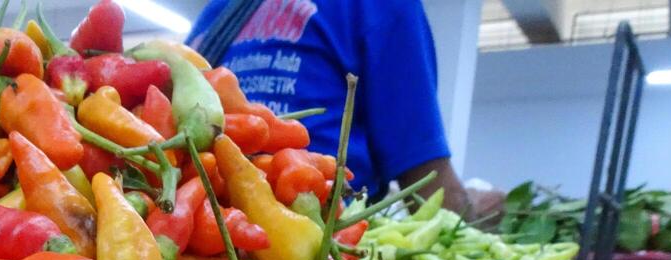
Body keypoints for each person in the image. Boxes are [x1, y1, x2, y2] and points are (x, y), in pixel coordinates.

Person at [188, 0, 497, 218]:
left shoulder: (215, 15)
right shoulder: (378, 5)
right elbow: (428, 188)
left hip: (196, 257)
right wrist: (479, 214)